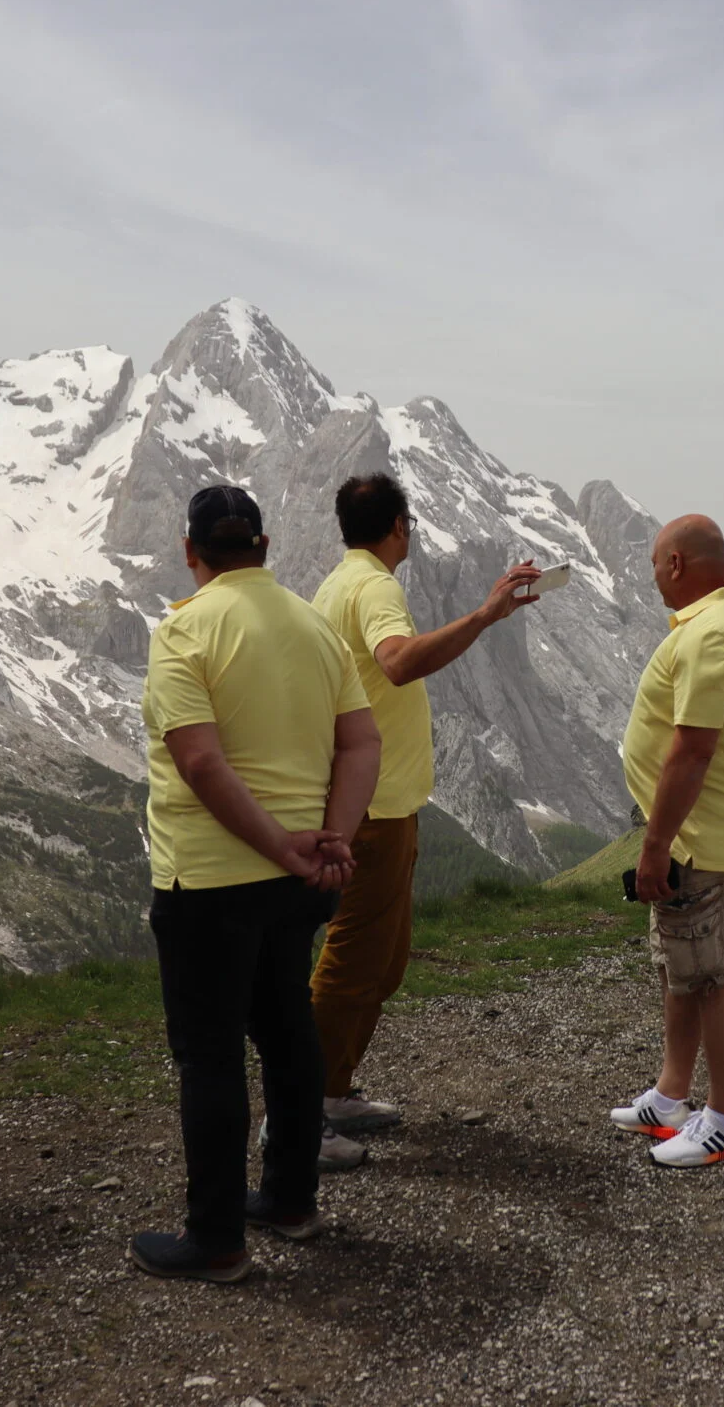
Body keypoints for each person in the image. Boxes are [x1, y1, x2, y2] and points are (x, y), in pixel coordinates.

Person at [130, 485, 382, 1284]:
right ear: (265, 546)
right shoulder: (314, 625)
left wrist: (278, 845)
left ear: (191, 552)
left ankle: (215, 1241)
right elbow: (362, 743)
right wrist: (331, 838)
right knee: (287, 1030)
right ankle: (291, 1201)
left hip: (209, 880)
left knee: (210, 1056)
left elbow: (201, 762)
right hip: (302, 879)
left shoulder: (184, 630)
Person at [307, 473, 539, 1163]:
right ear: (400, 527)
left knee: (382, 964)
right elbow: (398, 662)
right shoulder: (375, 588)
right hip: (373, 808)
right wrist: (485, 615)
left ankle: (331, 1091)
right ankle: (300, 1115)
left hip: (379, 800)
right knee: (351, 964)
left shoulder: (336, 585)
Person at [610, 515, 724, 1166]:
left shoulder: (712, 632)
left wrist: (655, 845)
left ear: (677, 563)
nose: (654, 577)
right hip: (708, 831)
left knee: (711, 976)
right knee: (680, 969)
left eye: (656, 565)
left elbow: (692, 749)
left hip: (701, 838)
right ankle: (671, 1094)